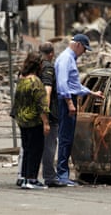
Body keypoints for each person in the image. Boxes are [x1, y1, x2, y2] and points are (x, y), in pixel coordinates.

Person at [55, 34, 104, 186]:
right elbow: (63, 84)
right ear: (78, 45)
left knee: (68, 139)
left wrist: (91, 93)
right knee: (65, 138)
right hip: (65, 102)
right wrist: (70, 103)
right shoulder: (66, 59)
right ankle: (62, 176)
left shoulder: (69, 59)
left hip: (69, 99)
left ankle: (63, 175)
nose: (83, 53)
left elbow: (74, 84)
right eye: (84, 49)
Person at [12, 52, 50, 189]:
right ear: (39, 65)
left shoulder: (21, 79)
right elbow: (42, 104)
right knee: (36, 150)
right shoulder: (36, 82)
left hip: (22, 120)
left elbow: (17, 100)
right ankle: (32, 179)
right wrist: (46, 122)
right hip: (34, 121)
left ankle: (24, 177)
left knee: (27, 149)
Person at [39, 42, 66, 187]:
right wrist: (46, 116)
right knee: (49, 145)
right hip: (49, 113)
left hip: (34, 112)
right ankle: (49, 176)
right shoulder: (48, 67)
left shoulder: (35, 65)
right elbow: (47, 91)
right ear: (51, 54)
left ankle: (28, 175)